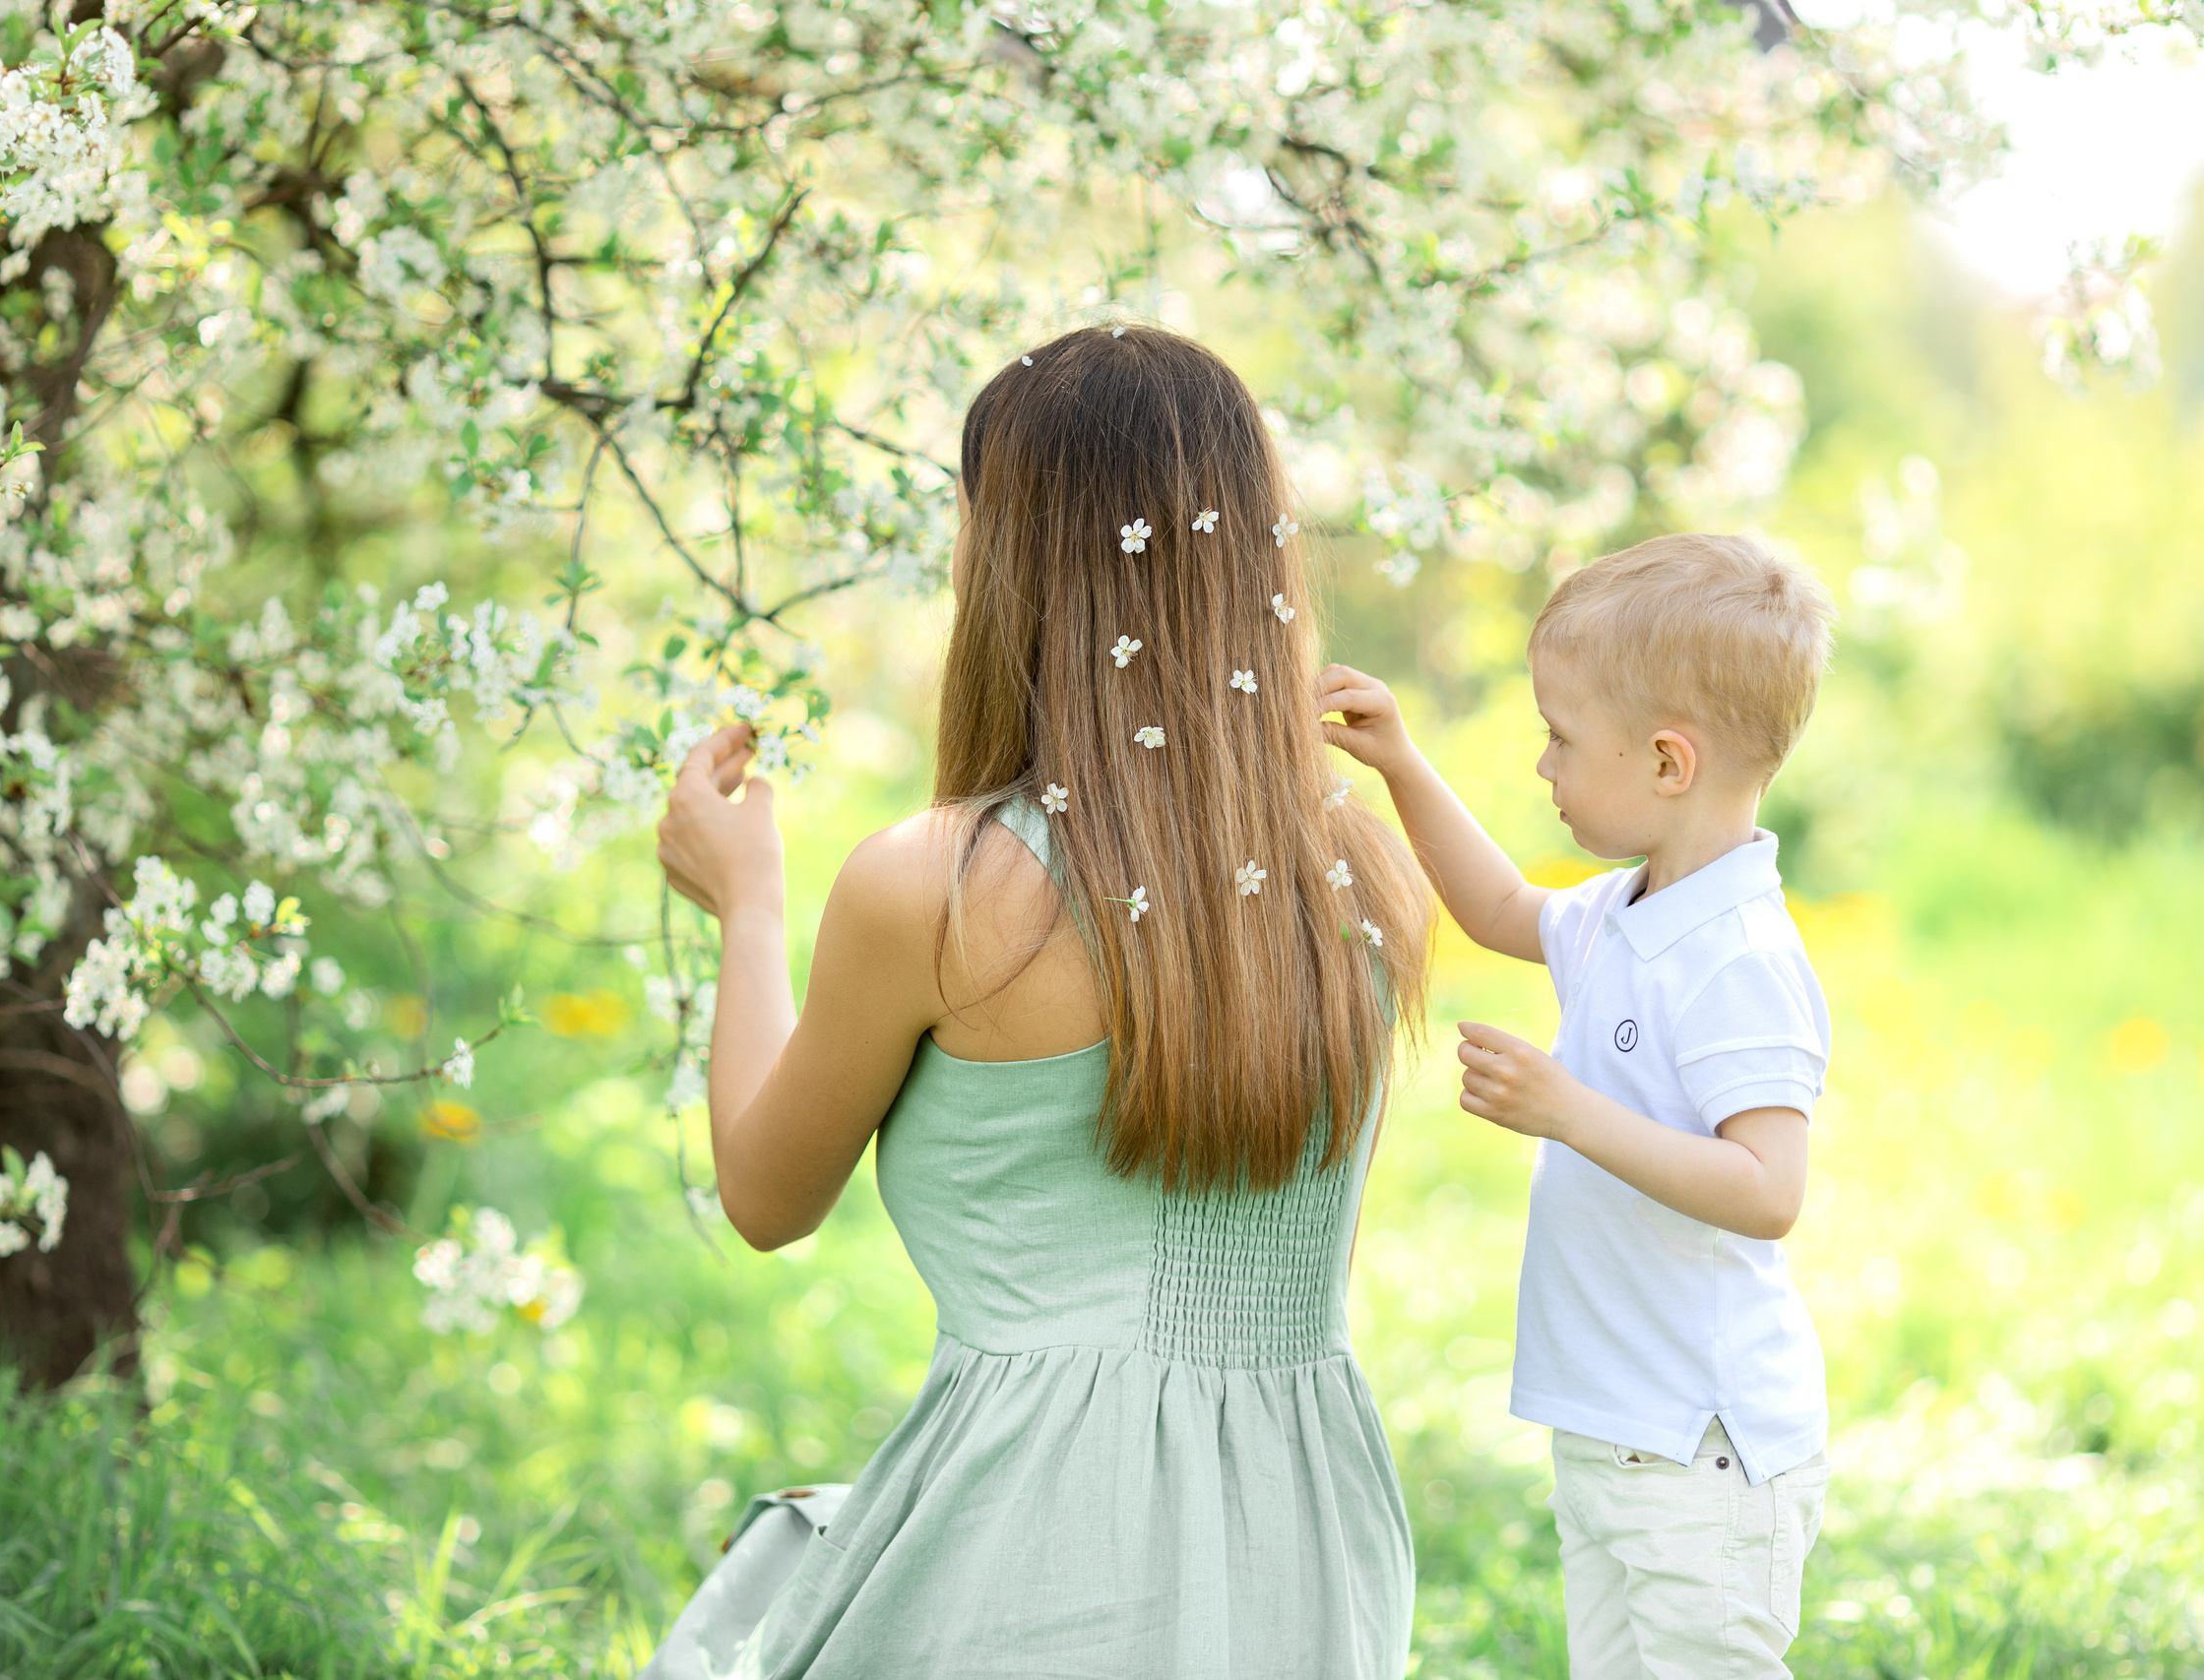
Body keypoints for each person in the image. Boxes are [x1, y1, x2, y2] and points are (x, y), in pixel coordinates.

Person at [652, 324, 1433, 1678]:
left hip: (1028, 1538)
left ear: (1007, 554)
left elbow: (766, 1197)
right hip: (1298, 1544)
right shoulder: (1358, 871)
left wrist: (749, 903)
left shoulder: (943, 884)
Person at [1315, 534, 1838, 1679]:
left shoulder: (1738, 957)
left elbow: (1769, 1191)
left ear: (1666, 763)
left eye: (1559, 737)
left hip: (1703, 1451)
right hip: (1613, 1427)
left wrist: (1571, 1110)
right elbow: (1499, 906)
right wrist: (1399, 761)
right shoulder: (1621, 910)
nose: (1542, 764)